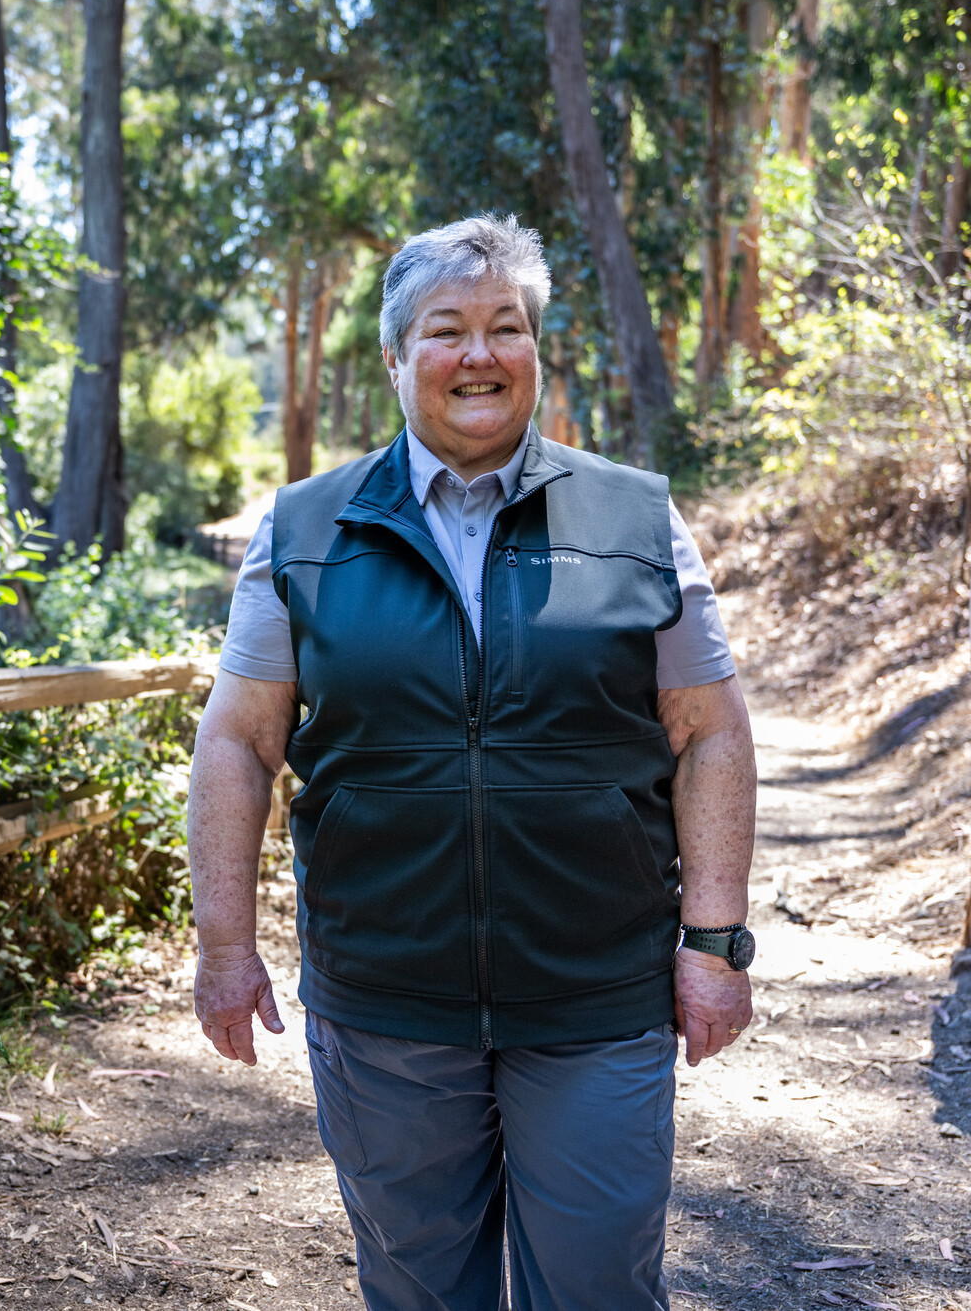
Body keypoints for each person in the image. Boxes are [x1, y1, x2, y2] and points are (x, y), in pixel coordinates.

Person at [187, 213, 757, 1311]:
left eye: (506, 328)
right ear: (397, 357)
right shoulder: (306, 528)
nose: (479, 355)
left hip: (594, 995)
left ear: (536, 351)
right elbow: (238, 739)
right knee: (418, 1290)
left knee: (596, 1288)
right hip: (384, 1001)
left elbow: (709, 729)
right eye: (447, 330)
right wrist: (224, 945)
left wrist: (713, 941)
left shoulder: (634, 515)